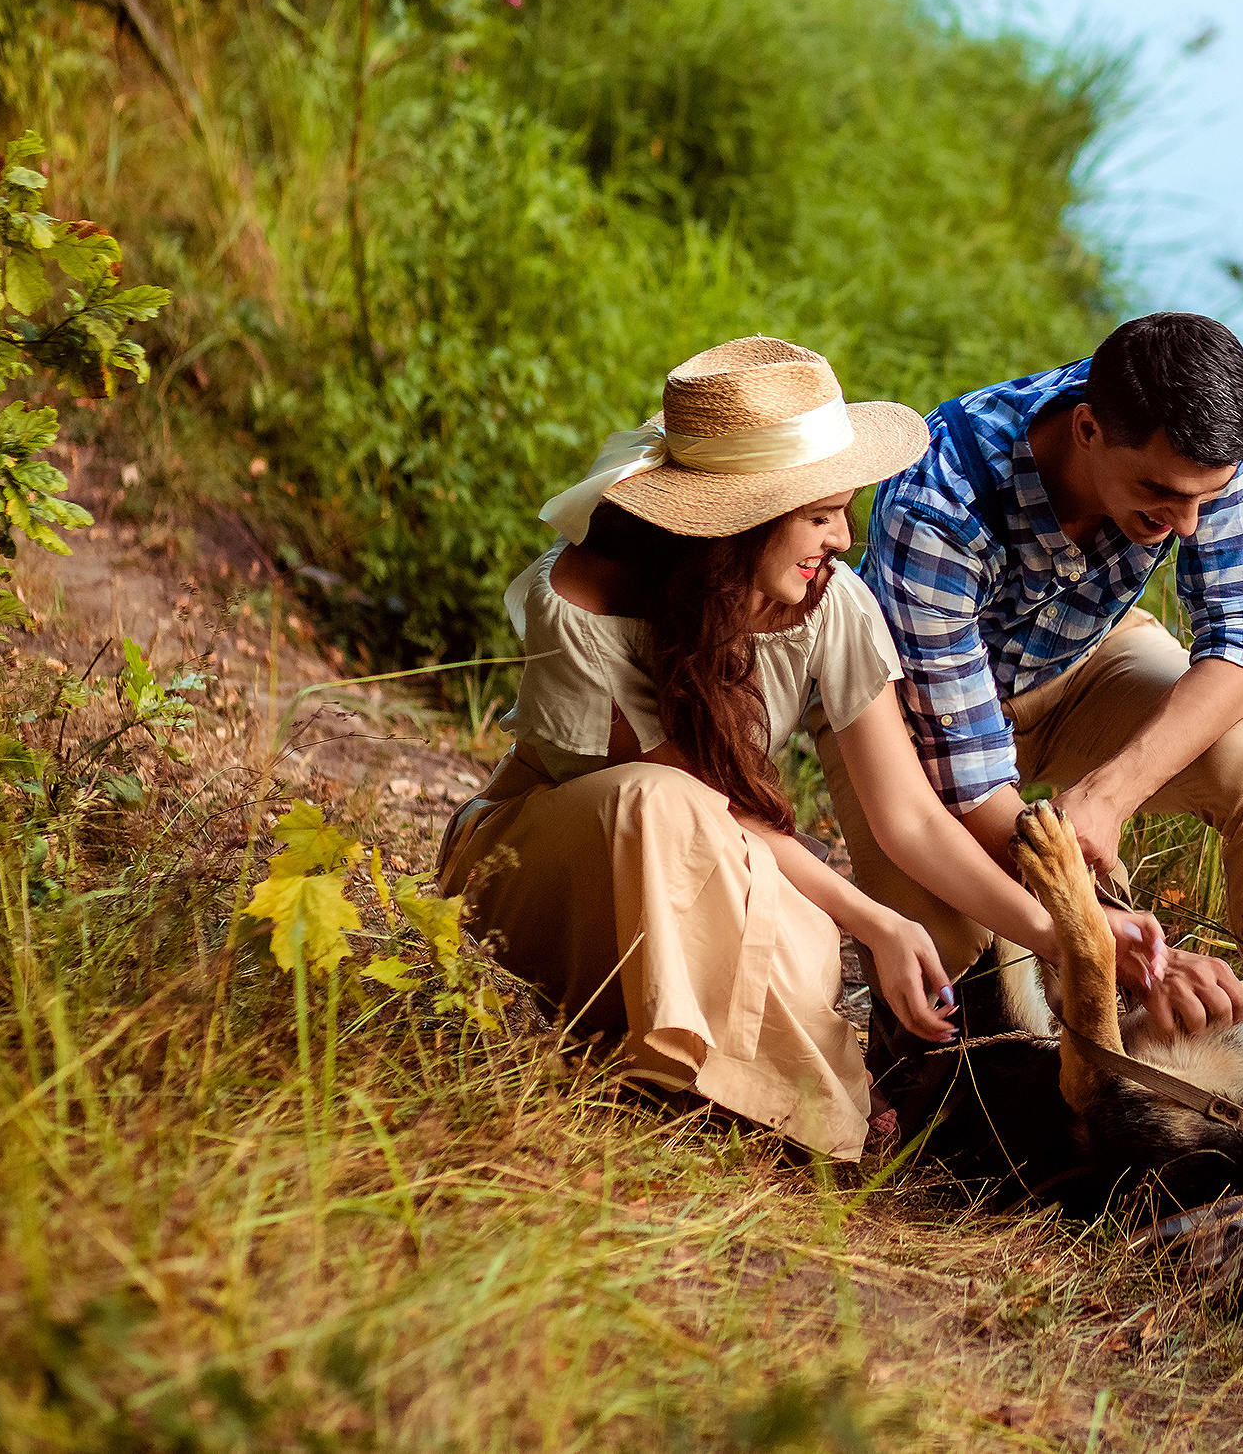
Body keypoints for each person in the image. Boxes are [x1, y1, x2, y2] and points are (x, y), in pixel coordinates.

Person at [437, 337, 1166, 1162]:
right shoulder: (585, 596)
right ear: (743, 518)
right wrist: (874, 919)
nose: (844, 538)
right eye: (819, 516)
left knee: (799, 930)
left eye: (845, 510)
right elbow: (706, 807)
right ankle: (764, 1091)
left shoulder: (833, 603)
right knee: (663, 804)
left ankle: (727, 1082)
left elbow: (909, 819)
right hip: (550, 867)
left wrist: (1068, 934)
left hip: (708, 854)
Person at [820, 311, 1243, 1050]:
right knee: (954, 981)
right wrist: (1109, 933)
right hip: (910, 710)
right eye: (1160, 493)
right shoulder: (940, 501)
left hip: (1079, 663)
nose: (1187, 525)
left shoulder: (1199, 445)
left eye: (1205, 498)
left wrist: (1109, 794)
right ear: (1088, 429)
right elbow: (968, 780)